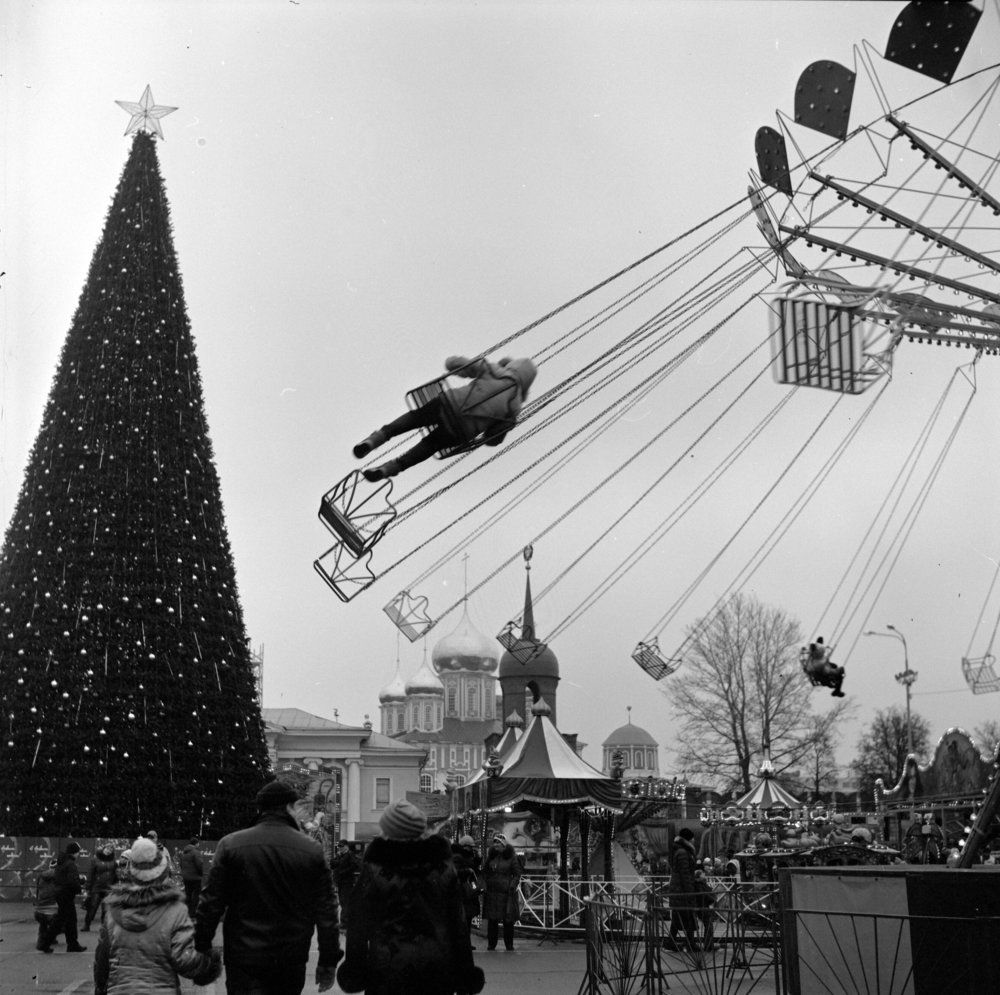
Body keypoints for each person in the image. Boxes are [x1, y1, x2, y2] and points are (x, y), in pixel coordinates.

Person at [195, 779, 342, 995]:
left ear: (261, 808)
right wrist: (328, 961)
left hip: (243, 956)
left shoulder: (230, 844)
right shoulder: (311, 849)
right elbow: (326, 911)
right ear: (289, 807)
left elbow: (211, 903)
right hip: (290, 959)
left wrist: (202, 947)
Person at [336, 798, 483, 995]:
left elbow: (358, 924)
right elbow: (457, 924)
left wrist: (355, 970)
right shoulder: (442, 868)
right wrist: (465, 973)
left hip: (387, 966)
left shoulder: (376, 868)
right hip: (435, 967)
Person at [354, 355, 538, 481]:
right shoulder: (513, 410)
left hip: (449, 404)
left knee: (415, 418)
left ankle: (374, 440)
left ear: (511, 365)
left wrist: (456, 366)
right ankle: (388, 469)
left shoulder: (493, 370)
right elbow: (493, 439)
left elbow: (453, 363)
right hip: (462, 430)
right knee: (430, 446)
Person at [93, 836, 221, 995]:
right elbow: (185, 961)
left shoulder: (113, 912)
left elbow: (102, 961)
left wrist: (100, 988)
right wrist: (209, 963)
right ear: (162, 874)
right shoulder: (174, 911)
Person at [40, 841, 87, 953]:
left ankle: (71, 944)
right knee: (62, 921)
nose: (78, 854)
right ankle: (46, 943)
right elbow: (72, 881)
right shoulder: (70, 864)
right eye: (78, 852)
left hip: (61, 894)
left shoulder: (61, 862)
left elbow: (62, 879)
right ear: (74, 852)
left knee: (68, 920)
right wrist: (79, 886)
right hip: (66, 895)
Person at [482, 832, 522, 952]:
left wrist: (512, 886)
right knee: (492, 920)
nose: (495, 845)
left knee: (508, 920)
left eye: (498, 842)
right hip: (492, 893)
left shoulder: (512, 858)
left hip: (506, 894)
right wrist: (485, 884)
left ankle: (509, 945)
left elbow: (517, 874)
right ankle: (491, 944)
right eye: (494, 842)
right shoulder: (491, 858)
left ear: (503, 844)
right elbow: (485, 872)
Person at [450, 834, 483, 948]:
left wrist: (478, 858)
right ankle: (462, 943)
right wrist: (467, 871)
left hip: (467, 891)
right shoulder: (457, 857)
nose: (471, 849)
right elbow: (456, 872)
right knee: (463, 919)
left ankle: (466, 942)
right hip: (462, 891)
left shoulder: (467, 856)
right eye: (470, 847)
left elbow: (473, 867)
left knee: (467, 919)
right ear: (464, 846)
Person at [667, 827, 698, 951]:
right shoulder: (683, 852)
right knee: (687, 915)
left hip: (679, 890)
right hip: (681, 890)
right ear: (688, 839)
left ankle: (672, 942)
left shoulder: (682, 851)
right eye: (692, 838)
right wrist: (690, 891)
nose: (694, 840)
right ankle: (690, 943)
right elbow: (685, 874)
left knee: (679, 917)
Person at [83, 844, 118, 932]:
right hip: (97, 887)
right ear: (103, 849)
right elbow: (90, 874)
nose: (108, 851)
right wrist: (88, 886)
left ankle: (104, 927)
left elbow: (115, 875)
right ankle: (86, 925)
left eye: (111, 850)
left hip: (108, 888)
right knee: (93, 907)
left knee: (105, 909)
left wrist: (116, 886)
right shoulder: (95, 859)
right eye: (107, 848)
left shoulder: (113, 861)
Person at [330, 839, 362, 935]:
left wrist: (344, 871)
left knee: (345, 904)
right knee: (343, 903)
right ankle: (344, 924)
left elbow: (356, 865)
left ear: (346, 846)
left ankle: (344, 925)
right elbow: (332, 864)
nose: (340, 848)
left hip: (347, 883)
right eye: (339, 846)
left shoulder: (350, 855)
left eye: (342, 846)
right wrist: (339, 862)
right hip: (340, 883)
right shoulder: (340, 855)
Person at [34, 858, 60, 953]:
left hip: (40, 905)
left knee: (43, 924)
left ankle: (43, 942)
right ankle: (45, 943)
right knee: (57, 924)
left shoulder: (41, 875)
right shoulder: (59, 876)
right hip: (51, 905)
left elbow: (38, 891)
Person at [177, 837, 204, 915]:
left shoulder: (184, 853)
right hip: (195, 878)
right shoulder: (196, 852)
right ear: (196, 844)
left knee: (188, 895)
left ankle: (186, 912)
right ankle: (192, 913)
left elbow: (181, 864)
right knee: (196, 896)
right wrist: (200, 874)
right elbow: (199, 865)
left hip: (186, 878)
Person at [692, 868, 716, 952]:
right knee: (709, 925)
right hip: (702, 906)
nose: (704, 874)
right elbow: (703, 895)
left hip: (702, 905)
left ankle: (708, 944)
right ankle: (708, 945)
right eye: (703, 873)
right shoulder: (699, 884)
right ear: (699, 875)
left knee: (708, 925)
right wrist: (712, 899)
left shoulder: (701, 883)